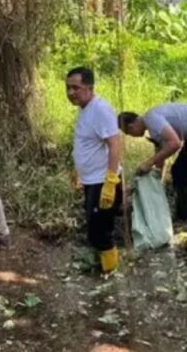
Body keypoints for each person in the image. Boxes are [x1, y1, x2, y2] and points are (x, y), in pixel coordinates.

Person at [118, 103, 187, 222]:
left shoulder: (151, 119)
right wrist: (155, 179)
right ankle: (184, 215)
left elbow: (174, 144)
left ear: (131, 127)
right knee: (178, 172)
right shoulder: (152, 126)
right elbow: (162, 153)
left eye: (128, 133)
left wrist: (148, 163)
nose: (132, 136)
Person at [67, 66, 124, 274]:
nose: (71, 92)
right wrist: (78, 170)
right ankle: (103, 266)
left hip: (102, 181)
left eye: (76, 88)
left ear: (90, 87)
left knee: (100, 232)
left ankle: (111, 273)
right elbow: (86, 143)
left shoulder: (100, 109)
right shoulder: (84, 109)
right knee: (94, 227)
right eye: (68, 88)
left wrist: (110, 180)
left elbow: (114, 144)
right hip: (91, 180)